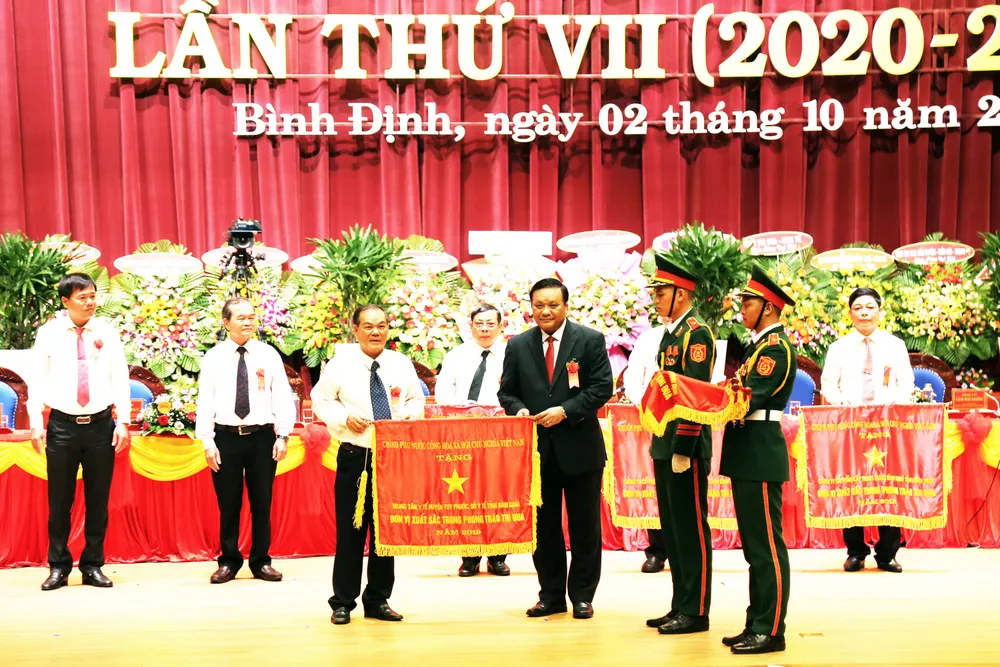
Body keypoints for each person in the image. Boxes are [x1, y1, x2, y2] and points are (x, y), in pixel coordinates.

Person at [498, 277, 613, 620]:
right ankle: (550, 596)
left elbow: (601, 388)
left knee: (584, 528)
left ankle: (582, 596)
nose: (545, 311)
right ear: (531, 307)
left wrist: (565, 410)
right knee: (544, 529)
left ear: (566, 306)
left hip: (581, 449)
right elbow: (507, 392)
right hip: (537, 453)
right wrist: (518, 409)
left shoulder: (589, 340)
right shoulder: (518, 345)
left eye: (552, 305)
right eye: (539, 305)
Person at [311, 305, 425, 625]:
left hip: (392, 457)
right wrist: (344, 417)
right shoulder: (341, 363)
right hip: (355, 457)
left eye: (382, 326)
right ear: (356, 329)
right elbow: (321, 399)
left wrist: (408, 415)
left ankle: (378, 599)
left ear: (388, 329)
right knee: (351, 532)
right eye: (369, 326)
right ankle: (342, 602)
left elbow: (416, 399)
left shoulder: (400, 363)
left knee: (385, 533)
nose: (376, 332)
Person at [28, 273, 132, 591]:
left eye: (93, 296)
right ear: (65, 301)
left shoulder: (107, 333)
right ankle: (58, 567)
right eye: (82, 297)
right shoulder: (49, 334)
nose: (90, 303)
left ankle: (92, 565)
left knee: (98, 499)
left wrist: (123, 421)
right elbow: (37, 380)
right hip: (62, 426)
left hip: (100, 425)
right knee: (60, 500)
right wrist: (36, 423)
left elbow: (120, 379)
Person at [718, 265, 796, 655]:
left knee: (766, 547)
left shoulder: (776, 348)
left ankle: (771, 628)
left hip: (759, 450)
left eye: (748, 303)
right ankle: (756, 621)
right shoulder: (758, 347)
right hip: (747, 450)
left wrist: (707, 398)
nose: (743, 309)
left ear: (768, 307)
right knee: (754, 547)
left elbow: (750, 397)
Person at [195, 297, 296, 585]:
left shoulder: (268, 354)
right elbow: (206, 400)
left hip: (261, 437)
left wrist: (283, 434)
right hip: (226, 437)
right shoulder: (214, 357)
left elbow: (282, 395)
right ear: (226, 323)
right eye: (241, 318)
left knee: (262, 502)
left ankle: (261, 560)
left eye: (251, 316)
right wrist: (207, 441)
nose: (248, 322)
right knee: (228, 504)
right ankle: (229, 561)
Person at [640, 256, 716, 636]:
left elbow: (695, 396)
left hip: (685, 446)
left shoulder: (696, 334)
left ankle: (696, 610)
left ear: (681, 294)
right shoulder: (672, 334)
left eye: (661, 292)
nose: (655, 298)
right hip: (665, 442)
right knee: (672, 529)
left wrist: (684, 447)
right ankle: (680, 603)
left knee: (691, 529)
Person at [821, 286, 914, 574]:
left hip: (887, 426)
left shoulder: (895, 345)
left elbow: (907, 383)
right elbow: (828, 384)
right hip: (851, 426)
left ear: (879, 311)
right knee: (852, 486)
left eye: (870, 307)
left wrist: (893, 404)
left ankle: (887, 553)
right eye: (858, 307)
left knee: (888, 486)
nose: (864, 312)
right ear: (850, 313)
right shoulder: (839, 347)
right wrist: (843, 404)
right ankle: (855, 552)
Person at [436, 303, 511, 577]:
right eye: (479, 323)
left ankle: (498, 555)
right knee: (466, 492)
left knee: (500, 492)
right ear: (470, 326)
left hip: (502, 435)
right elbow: (443, 394)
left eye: (491, 324)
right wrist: (464, 409)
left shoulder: (512, 354)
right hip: (464, 434)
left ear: (501, 326)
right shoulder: (456, 356)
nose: (485, 329)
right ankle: (469, 556)